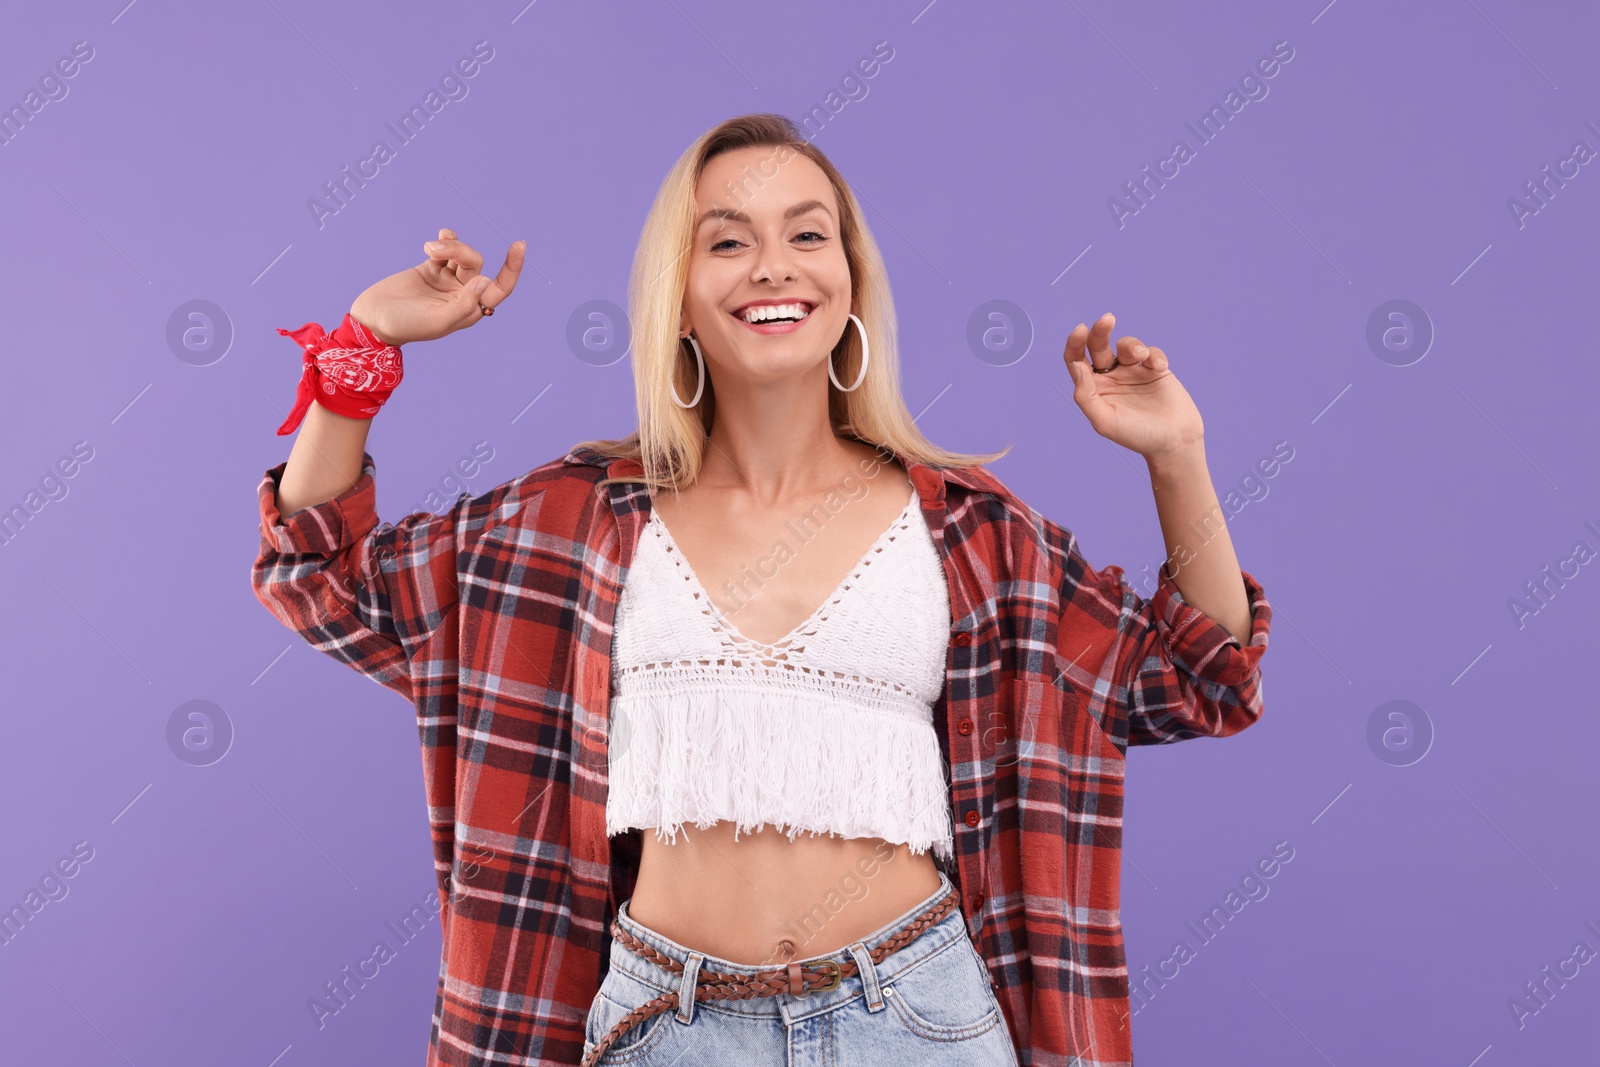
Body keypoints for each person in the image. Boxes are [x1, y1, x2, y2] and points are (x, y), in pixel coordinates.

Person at [252, 113, 1272, 1066]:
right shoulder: (569, 520)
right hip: (666, 1021)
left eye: (808, 235)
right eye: (727, 240)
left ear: (850, 279)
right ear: (679, 293)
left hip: (918, 1017)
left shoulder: (968, 531)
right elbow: (321, 573)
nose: (773, 265)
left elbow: (1198, 676)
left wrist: (1175, 453)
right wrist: (364, 348)